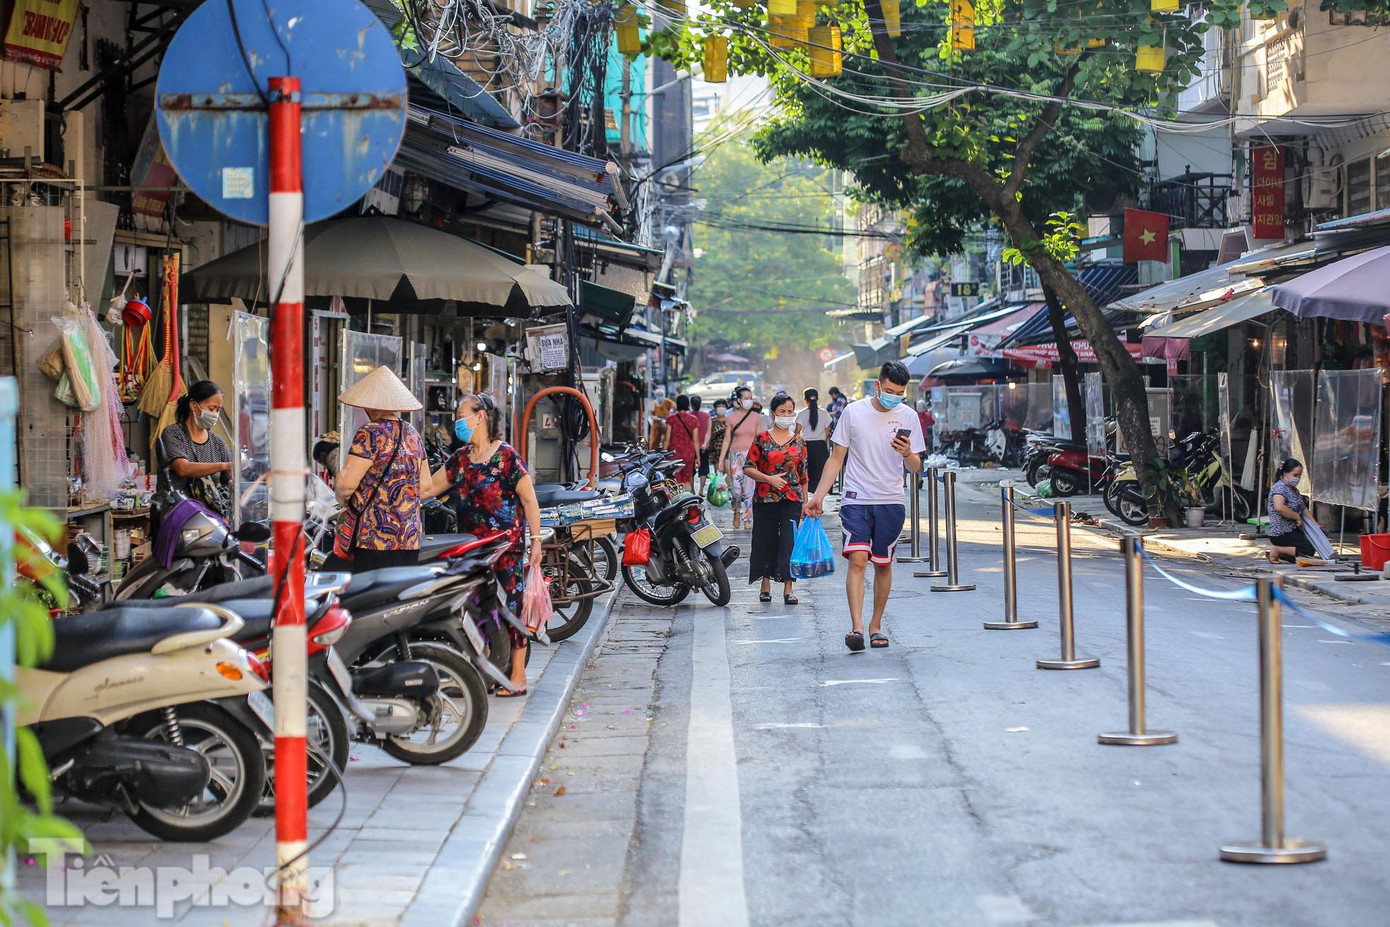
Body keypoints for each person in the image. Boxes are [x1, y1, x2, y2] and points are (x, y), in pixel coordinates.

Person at [426, 393, 543, 694]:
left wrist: (537, 541)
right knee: (478, 608)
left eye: (461, 413)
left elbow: (530, 501)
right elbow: (428, 488)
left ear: (479, 417)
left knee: (511, 608)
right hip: (471, 550)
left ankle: (518, 675)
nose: (457, 420)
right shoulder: (461, 459)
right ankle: (491, 667)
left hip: (506, 547)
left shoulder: (506, 458)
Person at [804, 361, 925, 652]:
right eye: (889, 390)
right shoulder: (853, 412)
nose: (893, 396)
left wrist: (908, 452)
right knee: (858, 559)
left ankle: (875, 625)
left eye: (899, 392)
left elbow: (916, 466)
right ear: (877, 386)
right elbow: (836, 458)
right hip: (856, 498)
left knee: (882, 564)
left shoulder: (908, 416)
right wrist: (818, 495)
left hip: (891, 501)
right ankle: (856, 627)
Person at [331, 366, 430, 572]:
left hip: (374, 538)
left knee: (371, 597)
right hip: (409, 538)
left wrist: (342, 502)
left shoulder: (370, 433)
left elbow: (347, 485)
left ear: (370, 405)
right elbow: (426, 485)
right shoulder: (412, 433)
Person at [745, 393, 809, 605]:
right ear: (773, 413)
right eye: (782, 411)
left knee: (789, 541)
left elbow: (803, 475)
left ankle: (788, 587)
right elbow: (748, 467)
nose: (787, 415)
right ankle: (766, 583)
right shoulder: (762, 438)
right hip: (765, 498)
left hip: (792, 498)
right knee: (766, 540)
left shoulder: (799, 440)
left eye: (790, 411)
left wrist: (805, 503)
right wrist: (768, 479)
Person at [159, 379, 234, 519]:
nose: (215, 415)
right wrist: (224, 465)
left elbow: (228, 481)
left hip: (208, 521)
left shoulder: (218, 443)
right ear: (193, 405)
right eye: (211, 409)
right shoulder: (173, 434)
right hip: (177, 517)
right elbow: (183, 468)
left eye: (218, 410)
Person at [718, 386, 764, 530]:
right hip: (735, 456)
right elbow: (726, 439)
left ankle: (747, 518)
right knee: (737, 490)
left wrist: (763, 458)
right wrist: (721, 461)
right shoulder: (731, 417)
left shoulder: (756, 417)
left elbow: (759, 438)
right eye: (746, 399)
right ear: (738, 400)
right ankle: (736, 512)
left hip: (751, 457)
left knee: (750, 491)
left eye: (750, 398)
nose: (748, 401)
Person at [1267, 458, 1317, 563]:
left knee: (1312, 545)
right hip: (1281, 532)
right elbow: (1279, 508)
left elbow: (1303, 508)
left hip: (1293, 530)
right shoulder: (1279, 488)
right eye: (1295, 475)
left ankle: (1284, 554)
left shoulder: (1294, 490)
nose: (1297, 478)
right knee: (1308, 550)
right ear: (1285, 473)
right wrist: (1296, 517)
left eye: (1299, 475)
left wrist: (1315, 523)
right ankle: (1276, 550)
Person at [665, 394, 701, 490]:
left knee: (675, 479)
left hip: (674, 454)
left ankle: (677, 502)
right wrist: (697, 457)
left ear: (677, 405)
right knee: (686, 480)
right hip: (689, 454)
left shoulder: (671, 419)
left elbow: (667, 439)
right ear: (687, 405)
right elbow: (696, 440)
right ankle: (687, 502)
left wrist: (663, 453)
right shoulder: (693, 420)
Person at [797, 388, 830, 493]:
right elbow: (827, 433)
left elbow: (796, 433)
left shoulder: (801, 414)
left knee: (806, 474)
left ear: (805, 400)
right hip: (820, 447)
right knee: (820, 474)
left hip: (806, 447)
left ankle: (806, 501)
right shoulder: (824, 413)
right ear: (818, 399)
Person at [691, 395, 713, 496]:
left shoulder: (689, 416)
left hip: (691, 447)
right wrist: (705, 443)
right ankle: (700, 490)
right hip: (704, 447)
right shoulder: (706, 416)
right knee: (703, 469)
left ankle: (692, 490)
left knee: (690, 469)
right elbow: (708, 432)